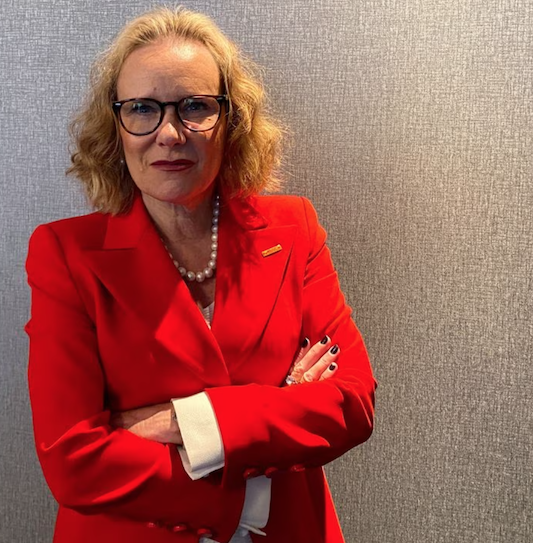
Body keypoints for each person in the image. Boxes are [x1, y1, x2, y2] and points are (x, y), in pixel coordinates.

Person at [24, 7, 376, 543]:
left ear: (230, 121)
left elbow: (350, 403)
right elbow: (74, 461)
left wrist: (189, 421)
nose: (169, 133)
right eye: (142, 108)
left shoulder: (294, 228)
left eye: (194, 107)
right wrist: (275, 420)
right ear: (115, 126)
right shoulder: (65, 253)